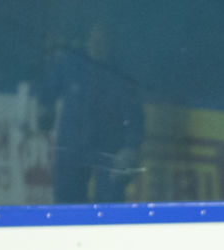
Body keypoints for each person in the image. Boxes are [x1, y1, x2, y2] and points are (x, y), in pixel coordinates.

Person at [37, 21, 145, 203]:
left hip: (109, 151)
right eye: (94, 39)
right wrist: (43, 112)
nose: (97, 45)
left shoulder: (122, 76)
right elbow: (47, 91)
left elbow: (135, 117)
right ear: (87, 40)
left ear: (112, 44)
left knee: (110, 205)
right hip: (71, 148)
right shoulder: (71, 64)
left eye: (103, 41)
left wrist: (130, 147)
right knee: (66, 205)